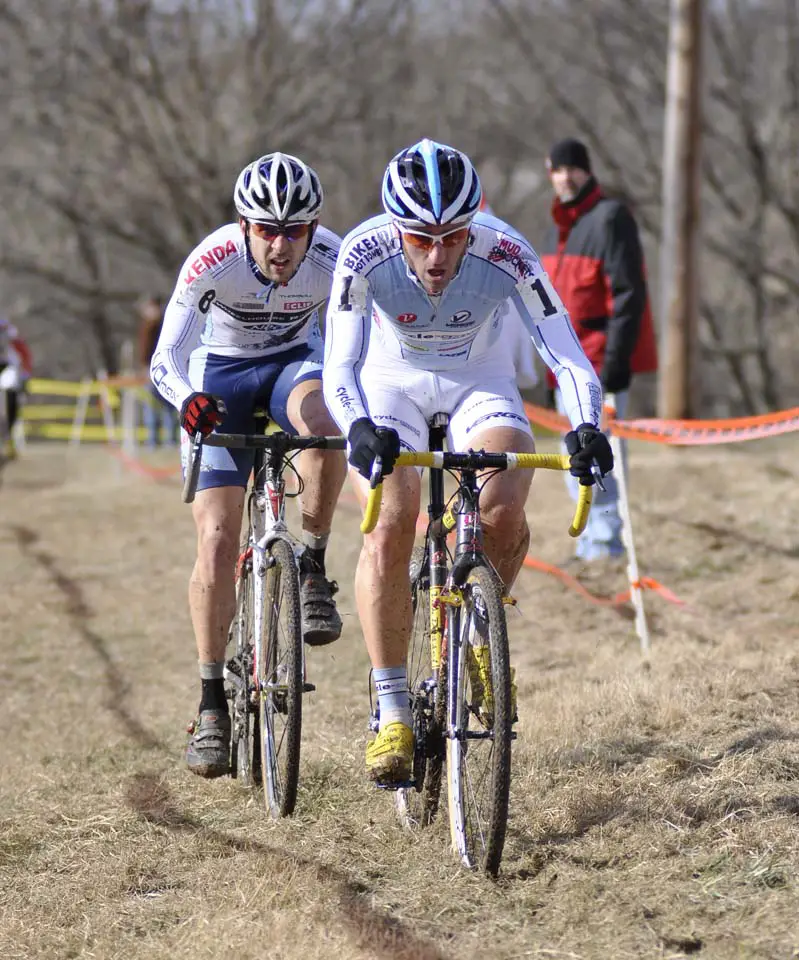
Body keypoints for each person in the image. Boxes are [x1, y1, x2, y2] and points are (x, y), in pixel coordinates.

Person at [323, 138, 614, 785]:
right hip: (390, 382)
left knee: (504, 506)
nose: (436, 255)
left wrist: (587, 426)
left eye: (452, 237)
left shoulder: (505, 250)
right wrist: (358, 426)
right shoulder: (363, 252)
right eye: (421, 239)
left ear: (471, 226)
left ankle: (480, 637)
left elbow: (563, 353)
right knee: (391, 522)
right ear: (396, 229)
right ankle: (392, 706)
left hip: (477, 380)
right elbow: (338, 364)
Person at [151, 152, 348, 778]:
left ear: (314, 228)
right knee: (216, 542)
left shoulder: (336, 260)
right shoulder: (212, 261)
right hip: (222, 377)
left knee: (325, 429)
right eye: (267, 229)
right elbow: (165, 358)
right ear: (244, 224)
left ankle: (312, 566)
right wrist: (189, 401)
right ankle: (211, 701)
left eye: (295, 230)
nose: (282, 244)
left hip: (294, 364)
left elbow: (362, 345)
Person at [540, 138, 658, 563]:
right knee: (571, 455)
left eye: (574, 168)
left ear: (588, 171)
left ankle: (606, 547)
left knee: (601, 452)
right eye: (558, 169)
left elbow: (629, 294)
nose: (565, 176)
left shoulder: (610, 218)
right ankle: (589, 541)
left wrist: (615, 363)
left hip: (599, 363)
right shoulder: (557, 227)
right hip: (564, 367)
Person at [137, 296, 179, 447]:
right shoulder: (147, 326)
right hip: (149, 370)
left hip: (162, 370)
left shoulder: (162, 324)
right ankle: (153, 440)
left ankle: (170, 440)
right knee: (151, 406)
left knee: (167, 406)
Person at [0, 317, 32, 457]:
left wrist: (25, 377)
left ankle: (9, 436)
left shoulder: (15, 341)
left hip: (11, 374)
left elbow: (25, 358)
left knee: (12, 405)